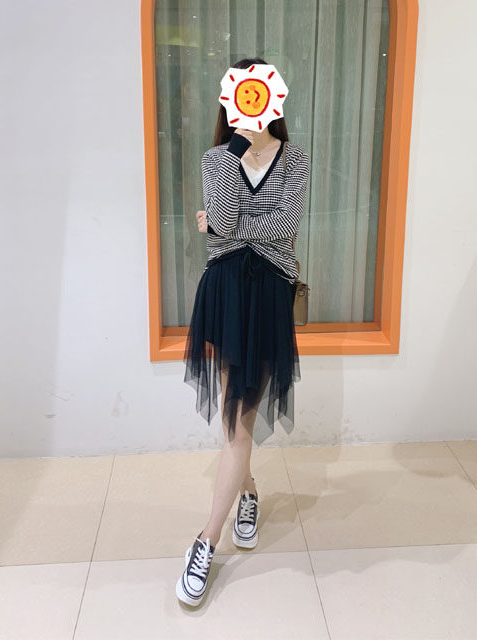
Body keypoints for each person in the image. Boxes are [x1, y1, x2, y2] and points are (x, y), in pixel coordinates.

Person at [176, 57, 310, 607]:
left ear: (271, 97)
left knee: (238, 420)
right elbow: (226, 227)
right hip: (227, 293)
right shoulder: (216, 158)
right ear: (230, 100)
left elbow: (284, 227)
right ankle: (239, 503)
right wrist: (235, 156)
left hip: (268, 296)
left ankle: (212, 533)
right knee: (236, 420)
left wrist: (220, 223)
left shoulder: (294, 158)